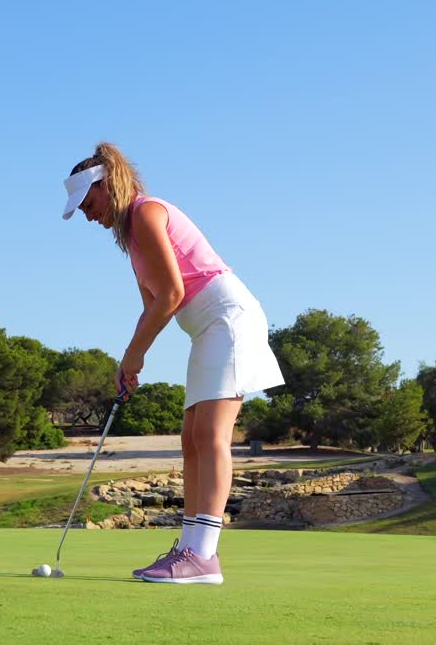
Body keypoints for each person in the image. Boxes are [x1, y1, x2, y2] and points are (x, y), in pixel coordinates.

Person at [61, 142, 285, 585]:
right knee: (191, 438)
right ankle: (189, 550)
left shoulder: (147, 213)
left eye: (88, 203)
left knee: (211, 435)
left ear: (107, 185)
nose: (88, 215)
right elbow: (152, 306)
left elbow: (172, 295)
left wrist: (135, 355)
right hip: (205, 329)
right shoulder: (132, 238)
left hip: (228, 318)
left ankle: (204, 555)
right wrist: (129, 362)